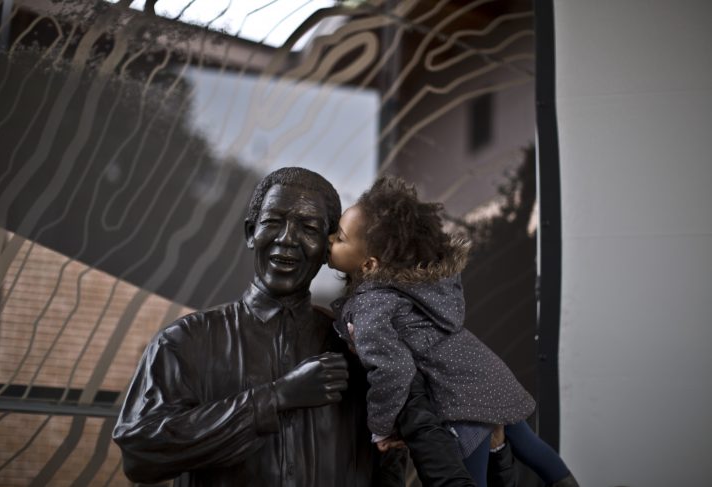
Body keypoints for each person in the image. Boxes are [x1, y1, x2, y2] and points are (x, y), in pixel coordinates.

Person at [112, 167, 400, 486]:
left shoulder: (359, 347)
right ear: (251, 232)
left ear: (326, 248)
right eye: (273, 222)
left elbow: (388, 466)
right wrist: (276, 397)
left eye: (308, 227)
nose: (287, 239)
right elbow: (139, 454)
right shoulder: (183, 342)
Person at [327, 176, 579, 487]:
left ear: (369, 265)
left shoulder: (372, 304)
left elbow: (393, 368)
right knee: (530, 447)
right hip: (486, 373)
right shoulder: (417, 290)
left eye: (339, 238)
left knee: (466, 478)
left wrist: (381, 425)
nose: (329, 241)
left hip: (459, 398)